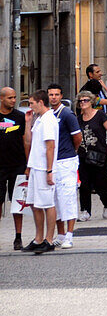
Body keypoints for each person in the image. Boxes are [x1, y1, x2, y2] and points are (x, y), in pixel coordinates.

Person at [45, 84, 82, 248]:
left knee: (67, 198)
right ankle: (59, 234)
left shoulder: (67, 114)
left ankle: (69, 234)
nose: (53, 97)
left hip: (66, 161)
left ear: (61, 96)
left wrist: (72, 151)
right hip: (52, 162)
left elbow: (78, 137)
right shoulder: (46, 114)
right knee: (55, 200)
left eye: (56, 94)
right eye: (51, 94)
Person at [23, 91, 58, 254]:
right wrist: (28, 123)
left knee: (47, 203)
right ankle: (38, 238)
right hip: (35, 166)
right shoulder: (39, 120)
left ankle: (49, 239)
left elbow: (50, 146)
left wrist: (49, 170)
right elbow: (30, 141)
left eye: (32, 103)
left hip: (44, 167)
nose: (30, 106)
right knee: (34, 203)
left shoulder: (49, 120)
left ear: (40, 102)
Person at [75, 91, 107, 222]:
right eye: (80, 101)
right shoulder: (78, 119)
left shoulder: (100, 115)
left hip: (99, 154)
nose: (82, 103)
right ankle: (85, 211)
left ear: (91, 101)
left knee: (100, 184)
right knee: (84, 185)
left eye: (85, 100)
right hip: (83, 155)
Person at [0, 86, 28, 249]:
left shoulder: (19, 117)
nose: (13, 100)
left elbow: (25, 140)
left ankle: (18, 237)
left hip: (17, 165)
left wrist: (27, 164)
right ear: (2, 99)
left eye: (14, 97)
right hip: (0, 166)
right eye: (10, 98)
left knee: (17, 203)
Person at [79, 63, 107, 128]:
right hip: (94, 124)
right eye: (97, 72)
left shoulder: (98, 86)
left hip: (103, 122)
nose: (101, 74)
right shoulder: (87, 92)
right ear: (90, 74)